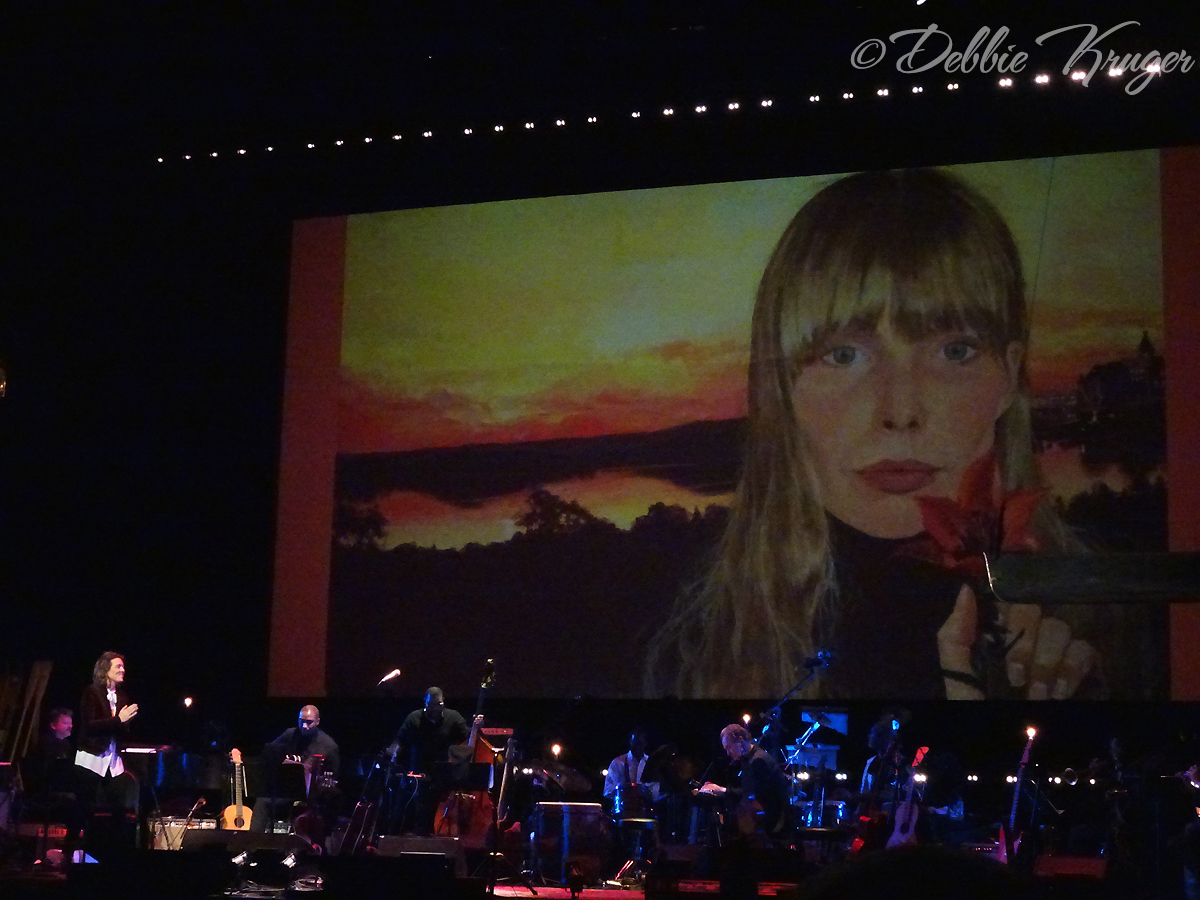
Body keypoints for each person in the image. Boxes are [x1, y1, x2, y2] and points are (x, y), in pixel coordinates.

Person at [648, 167, 1120, 701]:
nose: (899, 411)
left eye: (954, 351)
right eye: (844, 355)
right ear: (783, 389)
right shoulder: (700, 644)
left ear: (1009, 377)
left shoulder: (1101, 621)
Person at [74, 652, 139, 856]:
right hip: (91, 757)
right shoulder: (91, 692)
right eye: (118, 666)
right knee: (83, 809)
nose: (122, 670)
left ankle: (113, 855)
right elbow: (90, 725)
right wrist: (119, 720)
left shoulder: (123, 696)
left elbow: (121, 730)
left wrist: (126, 722)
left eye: (123, 667)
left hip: (113, 759)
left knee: (119, 809)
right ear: (105, 669)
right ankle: (72, 853)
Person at [390, 687, 473, 833]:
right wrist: (392, 754)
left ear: (443, 702)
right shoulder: (414, 717)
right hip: (419, 768)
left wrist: (476, 727)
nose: (435, 708)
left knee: (437, 807)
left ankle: (435, 833)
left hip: (444, 771)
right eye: (431, 704)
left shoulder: (453, 716)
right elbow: (400, 740)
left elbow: (467, 736)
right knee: (417, 807)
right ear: (425, 703)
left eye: (438, 704)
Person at [246, 704, 340, 833]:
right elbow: (269, 751)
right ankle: (253, 842)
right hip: (288, 790)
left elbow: (333, 778)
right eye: (301, 721)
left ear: (317, 722)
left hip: (313, 795)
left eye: (309, 722)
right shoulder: (291, 734)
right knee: (262, 801)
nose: (304, 726)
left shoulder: (329, 746)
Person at [698, 724, 789, 842]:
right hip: (763, 814)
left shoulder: (758, 760)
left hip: (770, 819)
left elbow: (751, 795)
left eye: (729, 748)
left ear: (740, 741)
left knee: (721, 826)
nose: (728, 753)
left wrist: (722, 790)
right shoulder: (751, 758)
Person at [603, 729, 661, 814]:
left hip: (645, 812)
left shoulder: (652, 763)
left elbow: (655, 793)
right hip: (622, 811)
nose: (637, 746)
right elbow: (608, 790)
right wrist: (622, 792)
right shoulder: (617, 763)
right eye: (635, 743)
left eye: (640, 743)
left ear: (645, 744)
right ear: (630, 742)